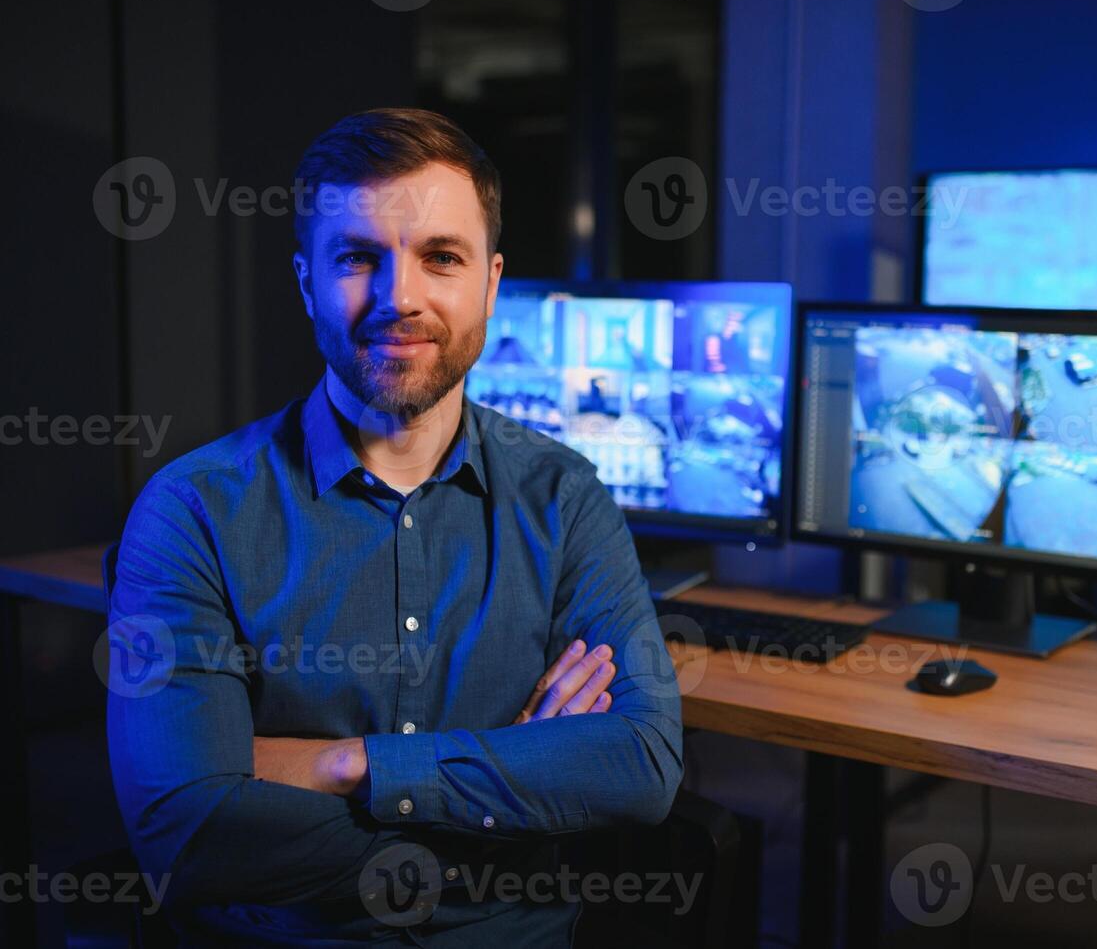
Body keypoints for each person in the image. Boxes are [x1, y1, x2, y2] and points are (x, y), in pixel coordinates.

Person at [105, 107, 683, 946]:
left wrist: (347, 766)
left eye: (440, 258)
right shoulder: (192, 509)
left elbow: (639, 769)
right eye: (358, 258)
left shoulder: (564, 495)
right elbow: (186, 833)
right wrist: (514, 805)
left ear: (489, 284)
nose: (398, 296)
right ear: (307, 281)